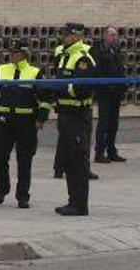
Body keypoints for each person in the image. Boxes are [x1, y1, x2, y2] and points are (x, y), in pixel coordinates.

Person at [0, 39, 52, 208]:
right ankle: (2, 189)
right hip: (3, 120)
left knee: (25, 159)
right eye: (11, 52)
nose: (12, 55)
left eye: (16, 52)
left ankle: (23, 195)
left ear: (25, 54)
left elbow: (45, 99)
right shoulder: (0, 71)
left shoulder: (35, 73)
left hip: (26, 122)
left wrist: (41, 119)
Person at [51, 22, 97, 216]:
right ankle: (73, 201)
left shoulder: (83, 58)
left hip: (78, 116)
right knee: (70, 161)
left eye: (67, 34)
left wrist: (61, 88)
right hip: (65, 114)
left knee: (78, 161)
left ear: (77, 36)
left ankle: (80, 205)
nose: (64, 37)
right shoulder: (63, 54)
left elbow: (82, 89)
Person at [91, 26, 128, 163]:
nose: (115, 38)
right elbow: (97, 71)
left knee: (114, 123)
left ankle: (111, 151)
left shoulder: (116, 49)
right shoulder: (97, 50)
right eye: (112, 35)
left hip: (116, 93)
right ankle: (99, 153)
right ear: (105, 35)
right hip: (105, 93)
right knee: (104, 123)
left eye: (116, 35)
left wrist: (122, 85)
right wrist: (107, 85)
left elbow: (120, 68)